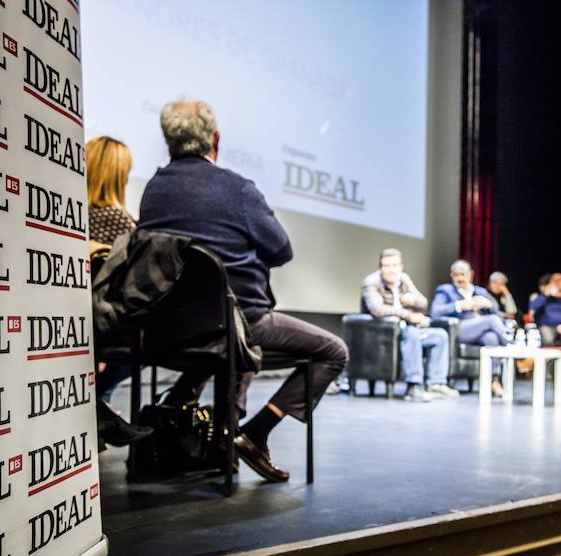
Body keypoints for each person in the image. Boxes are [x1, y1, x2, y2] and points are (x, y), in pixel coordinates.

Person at [137, 99, 348, 482]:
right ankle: (256, 432)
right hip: (238, 322)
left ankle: (218, 439)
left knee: (238, 343)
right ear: (215, 138)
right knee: (334, 351)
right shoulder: (236, 189)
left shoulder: (154, 190)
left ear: (168, 140)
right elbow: (281, 249)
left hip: (166, 329)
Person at [85, 136, 153, 450]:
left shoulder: (74, 217)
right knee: (149, 340)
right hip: (110, 321)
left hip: (81, 317)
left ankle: (97, 407)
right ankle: (95, 404)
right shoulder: (122, 222)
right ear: (118, 175)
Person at [360, 249, 459, 401]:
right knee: (412, 334)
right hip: (383, 335)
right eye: (386, 266)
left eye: (394, 265)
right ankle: (413, 386)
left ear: (401, 266)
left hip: (405, 330)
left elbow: (423, 302)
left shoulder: (403, 279)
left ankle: (436, 383)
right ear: (380, 267)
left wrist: (413, 301)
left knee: (440, 335)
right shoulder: (371, 282)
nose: (391, 269)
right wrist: (410, 316)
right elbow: (377, 309)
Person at [430, 260, 511, 396]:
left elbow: (498, 316)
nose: (460, 278)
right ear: (451, 275)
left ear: (471, 274)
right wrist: (460, 305)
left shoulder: (480, 291)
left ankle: (494, 381)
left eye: (463, 274)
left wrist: (489, 305)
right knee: (491, 321)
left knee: (491, 338)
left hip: (481, 330)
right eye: (456, 275)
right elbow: (435, 312)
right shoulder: (445, 290)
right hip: (460, 330)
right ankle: (513, 347)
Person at [529, 272, 561, 350]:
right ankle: (550, 360)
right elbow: (533, 306)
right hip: (547, 326)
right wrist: (545, 295)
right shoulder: (544, 298)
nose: (556, 282)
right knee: (547, 339)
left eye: (559, 280)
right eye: (553, 280)